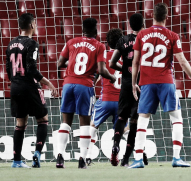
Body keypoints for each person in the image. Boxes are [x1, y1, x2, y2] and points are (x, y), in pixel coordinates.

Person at [129, 3, 191, 168]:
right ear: (167, 17)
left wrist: (134, 83)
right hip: (166, 82)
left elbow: (135, 62)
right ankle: (176, 158)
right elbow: (182, 62)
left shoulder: (142, 35)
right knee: (176, 118)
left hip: (147, 83)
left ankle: (138, 159)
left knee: (142, 120)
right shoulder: (172, 36)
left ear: (152, 16)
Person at [56, 17, 116, 169]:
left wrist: (73, 62)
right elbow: (102, 70)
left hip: (68, 84)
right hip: (85, 85)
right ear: (96, 31)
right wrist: (112, 76)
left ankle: (60, 157)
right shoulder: (99, 45)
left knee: (65, 122)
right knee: (84, 123)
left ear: (82, 30)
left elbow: (59, 63)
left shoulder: (71, 42)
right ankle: (82, 159)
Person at [6, 13, 58, 168]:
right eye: (34, 23)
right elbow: (31, 69)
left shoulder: (10, 44)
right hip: (29, 87)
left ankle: (16, 161)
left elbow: (9, 70)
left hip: (15, 87)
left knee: (20, 124)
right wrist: (48, 83)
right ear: (31, 25)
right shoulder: (32, 43)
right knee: (43, 119)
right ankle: (37, 154)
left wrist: (16, 82)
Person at [108, 13, 147, 167]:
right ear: (143, 24)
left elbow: (112, 63)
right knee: (135, 121)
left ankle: (115, 145)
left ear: (130, 26)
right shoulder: (146, 39)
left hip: (125, 84)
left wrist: (124, 69)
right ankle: (125, 159)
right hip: (141, 84)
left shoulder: (123, 40)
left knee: (122, 118)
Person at [85, 28, 125, 166]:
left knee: (93, 125)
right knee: (123, 129)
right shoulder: (127, 56)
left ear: (107, 43)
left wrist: (92, 86)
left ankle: (87, 156)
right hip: (121, 101)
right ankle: (125, 153)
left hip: (105, 99)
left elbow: (96, 75)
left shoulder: (105, 56)